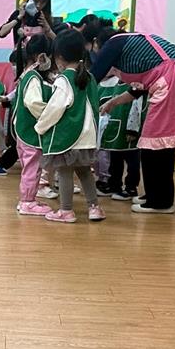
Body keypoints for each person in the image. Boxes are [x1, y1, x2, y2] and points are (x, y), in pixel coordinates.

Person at [93, 31, 175, 214]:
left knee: (156, 145)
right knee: (160, 146)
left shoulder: (113, 44)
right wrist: (113, 102)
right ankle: (155, 195)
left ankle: (160, 202)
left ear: (97, 43)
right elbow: (139, 89)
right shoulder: (135, 45)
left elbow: (92, 77)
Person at [0, 0, 62, 176]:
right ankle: (11, 159)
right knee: (24, 113)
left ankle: (28, 161)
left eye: (42, 2)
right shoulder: (19, 15)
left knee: (35, 115)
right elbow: (1, 32)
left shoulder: (47, 19)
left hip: (44, 70)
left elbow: (59, 43)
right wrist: (19, 17)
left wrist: (47, 27)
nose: (38, 5)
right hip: (23, 67)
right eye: (35, 0)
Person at [36, 29, 105, 223]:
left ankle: (66, 211)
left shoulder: (64, 80)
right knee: (85, 172)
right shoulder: (90, 77)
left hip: (69, 136)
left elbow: (55, 108)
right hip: (88, 136)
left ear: (59, 57)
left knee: (64, 171)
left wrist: (40, 126)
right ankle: (94, 208)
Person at [13, 35, 57, 215]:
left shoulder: (29, 74)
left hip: (25, 129)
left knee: (31, 167)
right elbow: (33, 103)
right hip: (30, 130)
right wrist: (51, 115)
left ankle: (27, 199)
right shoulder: (33, 77)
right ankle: (27, 202)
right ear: (42, 56)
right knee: (33, 167)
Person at [97, 72, 144, 200]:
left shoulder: (134, 85)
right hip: (114, 129)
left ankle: (131, 188)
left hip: (128, 130)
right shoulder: (112, 84)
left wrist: (132, 130)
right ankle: (114, 185)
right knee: (115, 160)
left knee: (132, 161)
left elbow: (136, 107)